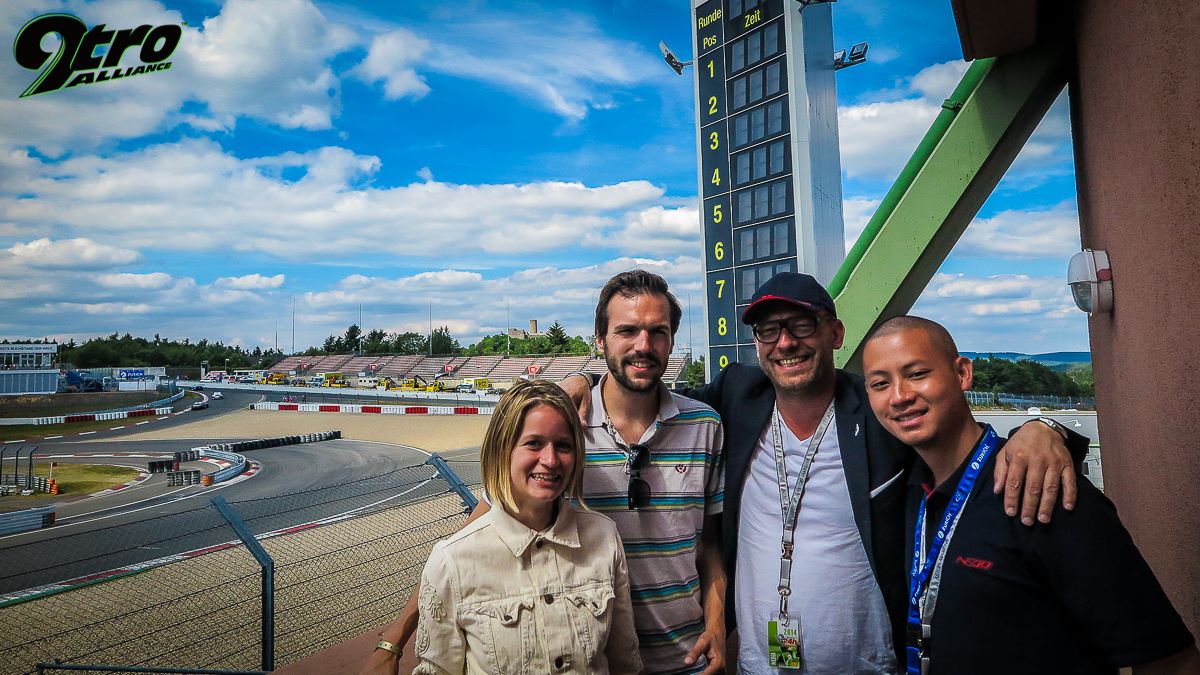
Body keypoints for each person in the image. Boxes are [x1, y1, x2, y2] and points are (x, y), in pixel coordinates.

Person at [565, 272, 1085, 672]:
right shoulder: (736, 400)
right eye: (770, 331)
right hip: (756, 663)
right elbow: (643, 390)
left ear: (835, 333)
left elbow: (956, 435)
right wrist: (578, 380)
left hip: (869, 662)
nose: (785, 342)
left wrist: (1045, 429)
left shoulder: (879, 408)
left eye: (802, 325)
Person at [363, 270, 726, 675]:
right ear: (601, 340)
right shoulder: (561, 427)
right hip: (596, 655)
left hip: (690, 659)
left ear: (672, 340)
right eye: (627, 330)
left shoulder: (705, 426)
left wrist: (716, 624)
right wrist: (394, 638)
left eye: (657, 332)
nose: (644, 345)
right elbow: (466, 544)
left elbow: (709, 544)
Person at [861, 315, 1198, 674]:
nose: (899, 396)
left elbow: (1170, 660)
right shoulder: (910, 492)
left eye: (917, 374)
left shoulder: (1043, 489)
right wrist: (1046, 426)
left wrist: (1047, 429)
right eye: (880, 383)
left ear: (962, 374)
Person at [410, 379, 641, 674]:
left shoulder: (604, 537)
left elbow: (625, 660)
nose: (550, 460)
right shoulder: (451, 561)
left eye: (563, 445)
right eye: (534, 443)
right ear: (502, 449)